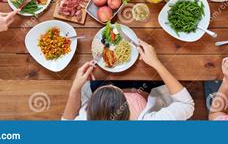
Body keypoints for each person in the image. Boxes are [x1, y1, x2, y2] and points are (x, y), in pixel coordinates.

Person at [62, 40, 194, 120]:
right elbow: (186, 105)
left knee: (97, 79)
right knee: (152, 74)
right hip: (146, 92)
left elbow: (66, 121)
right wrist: (156, 63)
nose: (114, 85)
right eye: (118, 91)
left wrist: (75, 90)